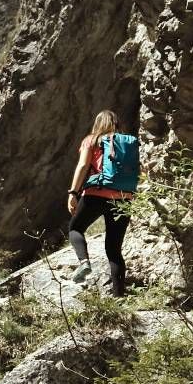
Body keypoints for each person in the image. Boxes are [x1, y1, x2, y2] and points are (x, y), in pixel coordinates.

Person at [66, 110, 135, 296]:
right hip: (123, 198)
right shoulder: (127, 142)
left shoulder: (91, 140)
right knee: (114, 249)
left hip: (96, 194)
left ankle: (84, 262)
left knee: (75, 228)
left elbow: (82, 165)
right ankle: (119, 296)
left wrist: (73, 192)